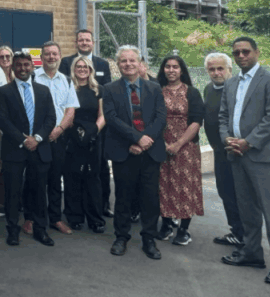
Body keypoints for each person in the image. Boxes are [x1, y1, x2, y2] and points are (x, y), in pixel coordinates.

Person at [218, 37, 270, 286]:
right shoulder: (231, 84)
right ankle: (252, 254)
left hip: (264, 156)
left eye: (245, 51)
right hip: (237, 155)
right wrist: (227, 139)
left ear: (257, 52)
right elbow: (223, 116)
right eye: (236, 52)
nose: (240, 56)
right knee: (247, 210)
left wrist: (248, 141)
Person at [103, 45, 167, 261]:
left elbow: (160, 118)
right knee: (123, 197)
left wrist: (145, 140)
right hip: (124, 151)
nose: (128, 64)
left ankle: (149, 238)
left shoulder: (154, 88)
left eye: (132, 60)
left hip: (150, 152)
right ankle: (121, 237)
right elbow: (112, 119)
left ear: (139, 63)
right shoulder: (110, 89)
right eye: (123, 61)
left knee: (150, 197)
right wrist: (135, 138)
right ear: (118, 65)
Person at [0, 51, 57, 247]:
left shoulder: (43, 91)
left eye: (26, 65)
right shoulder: (4, 91)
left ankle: (41, 230)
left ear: (32, 67)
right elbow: (3, 121)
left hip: (39, 148)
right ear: (13, 68)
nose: (23, 68)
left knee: (39, 191)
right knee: (13, 192)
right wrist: (24, 141)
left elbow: (51, 119)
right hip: (15, 149)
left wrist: (37, 138)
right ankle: (12, 230)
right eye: (19, 65)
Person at [59, 29, 113, 216]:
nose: (84, 42)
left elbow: (107, 95)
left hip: (95, 132)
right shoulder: (65, 63)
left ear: (93, 42)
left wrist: (95, 130)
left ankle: (102, 206)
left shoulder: (103, 64)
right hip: (71, 132)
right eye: (80, 40)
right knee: (73, 173)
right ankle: (75, 212)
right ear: (76, 42)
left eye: (87, 40)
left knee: (98, 171)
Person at [155, 54, 205, 246]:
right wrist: (162, 143)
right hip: (161, 145)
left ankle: (184, 229)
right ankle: (166, 224)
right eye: (167, 66)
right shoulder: (157, 91)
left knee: (185, 187)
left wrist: (178, 144)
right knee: (163, 185)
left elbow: (196, 122)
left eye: (175, 67)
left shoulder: (191, 92)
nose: (171, 70)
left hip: (186, 147)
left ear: (182, 70)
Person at [34, 41, 79, 236]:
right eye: (47, 54)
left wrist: (59, 129)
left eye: (55, 54)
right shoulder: (32, 77)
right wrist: (42, 133)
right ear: (41, 57)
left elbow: (70, 110)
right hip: (38, 138)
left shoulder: (66, 80)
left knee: (54, 180)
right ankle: (32, 218)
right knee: (36, 180)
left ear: (60, 57)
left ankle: (55, 218)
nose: (51, 57)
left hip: (59, 137)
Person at [203, 52, 245, 247]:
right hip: (219, 153)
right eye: (212, 69)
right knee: (225, 192)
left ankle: (247, 237)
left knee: (242, 195)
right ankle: (236, 232)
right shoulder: (207, 90)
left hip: (239, 152)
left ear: (230, 69)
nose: (216, 72)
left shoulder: (239, 90)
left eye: (220, 68)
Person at [65, 56, 106, 234]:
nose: (82, 69)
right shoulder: (68, 88)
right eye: (79, 66)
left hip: (93, 138)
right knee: (72, 178)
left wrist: (93, 131)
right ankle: (74, 217)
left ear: (90, 70)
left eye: (85, 67)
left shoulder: (98, 90)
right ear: (74, 69)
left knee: (93, 179)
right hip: (72, 137)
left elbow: (102, 115)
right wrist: (74, 132)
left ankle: (95, 219)